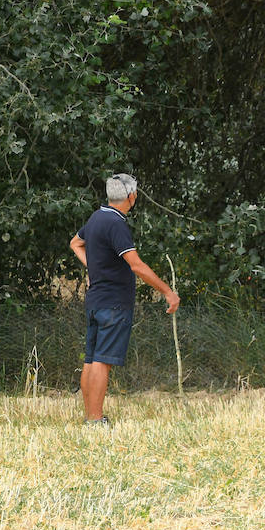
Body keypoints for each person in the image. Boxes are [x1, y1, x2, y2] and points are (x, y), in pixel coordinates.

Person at [68, 173, 180, 425]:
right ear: (131, 197)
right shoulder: (116, 223)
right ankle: (96, 421)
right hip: (114, 301)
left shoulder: (97, 217)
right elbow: (137, 266)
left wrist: (93, 269)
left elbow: (75, 243)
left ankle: (90, 417)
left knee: (91, 358)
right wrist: (167, 292)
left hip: (96, 298)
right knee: (102, 361)